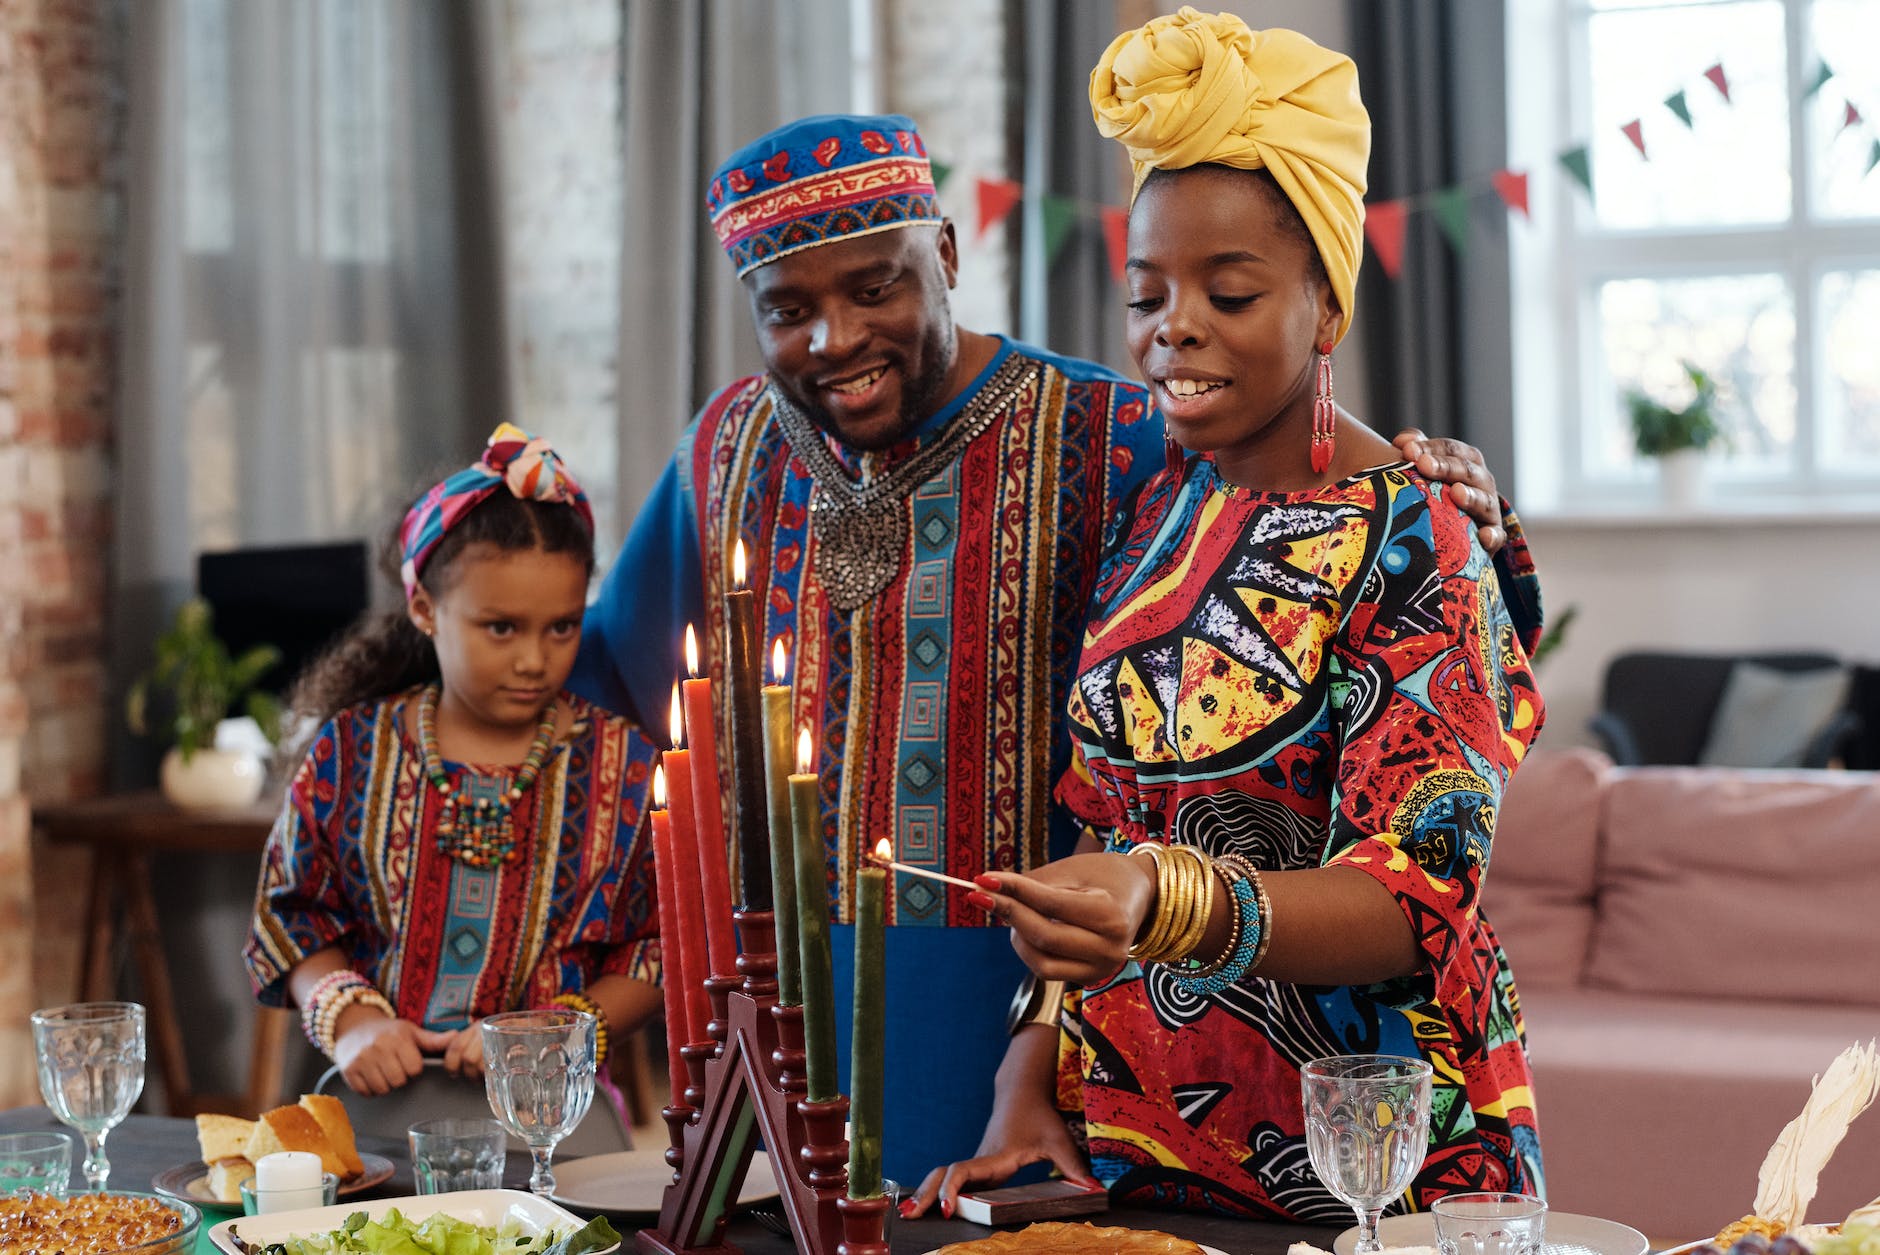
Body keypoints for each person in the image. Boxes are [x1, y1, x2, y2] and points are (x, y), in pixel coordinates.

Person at [570, 113, 1534, 1185]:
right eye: (788, 309)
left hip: (1048, 1000)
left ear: (942, 255)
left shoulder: (1125, 440)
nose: (834, 338)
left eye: (874, 288)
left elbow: (1333, 549)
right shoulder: (724, 447)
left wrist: (1441, 492)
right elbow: (601, 695)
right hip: (807, 992)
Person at [912, 10, 1546, 1222]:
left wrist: (1161, 896)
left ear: (1326, 302)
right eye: (1147, 292)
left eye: (1230, 289)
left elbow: (1413, 896)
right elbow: (1100, 819)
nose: (1173, 327)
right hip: (1138, 1152)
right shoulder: (1159, 507)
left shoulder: (1414, 537)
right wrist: (1025, 1074)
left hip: (1379, 1171)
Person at [245, 424, 661, 1101]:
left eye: (561, 626)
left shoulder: (630, 768)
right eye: (501, 627)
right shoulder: (351, 752)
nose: (534, 658)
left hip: (559, 1122)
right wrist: (352, 1023)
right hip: (377, 1114)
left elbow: (657, 948)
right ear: (424, 609)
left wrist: (562, 1031)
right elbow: (294, 913)